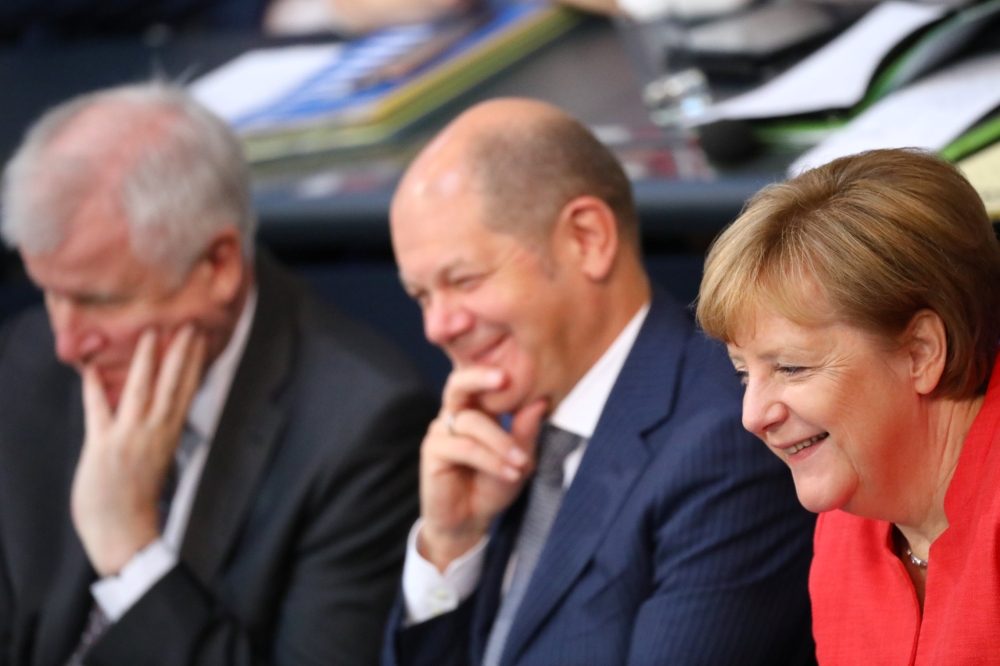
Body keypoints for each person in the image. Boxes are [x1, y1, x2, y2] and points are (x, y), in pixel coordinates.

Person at [0, 82, 436, 666]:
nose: (67, 343)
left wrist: (131, 555)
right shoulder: (24, 368)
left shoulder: (362, 428)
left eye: (101, 301)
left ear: (218, 264)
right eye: (49, 295)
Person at [381, 97, 817, 666]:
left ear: (587, 238)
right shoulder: (501, 434)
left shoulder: (728, 438)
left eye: (463, 280)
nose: (438, 326)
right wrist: (451, 544)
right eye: (420, 296)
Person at [696, 148, 1000, 665]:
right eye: (743, 373)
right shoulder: (846, 527)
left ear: (920, 352)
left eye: (791, 368)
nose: (753, 415)